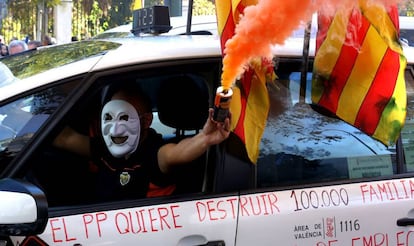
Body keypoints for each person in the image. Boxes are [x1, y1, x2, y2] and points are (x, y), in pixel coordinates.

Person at [53, 83, 231, 201]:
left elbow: (176, 153)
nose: (115, 129)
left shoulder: (154, 152)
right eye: (109, 118)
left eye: (124, 118)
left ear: (146, 121)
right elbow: (64, 138)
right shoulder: (104, 148)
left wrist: (204, 138)